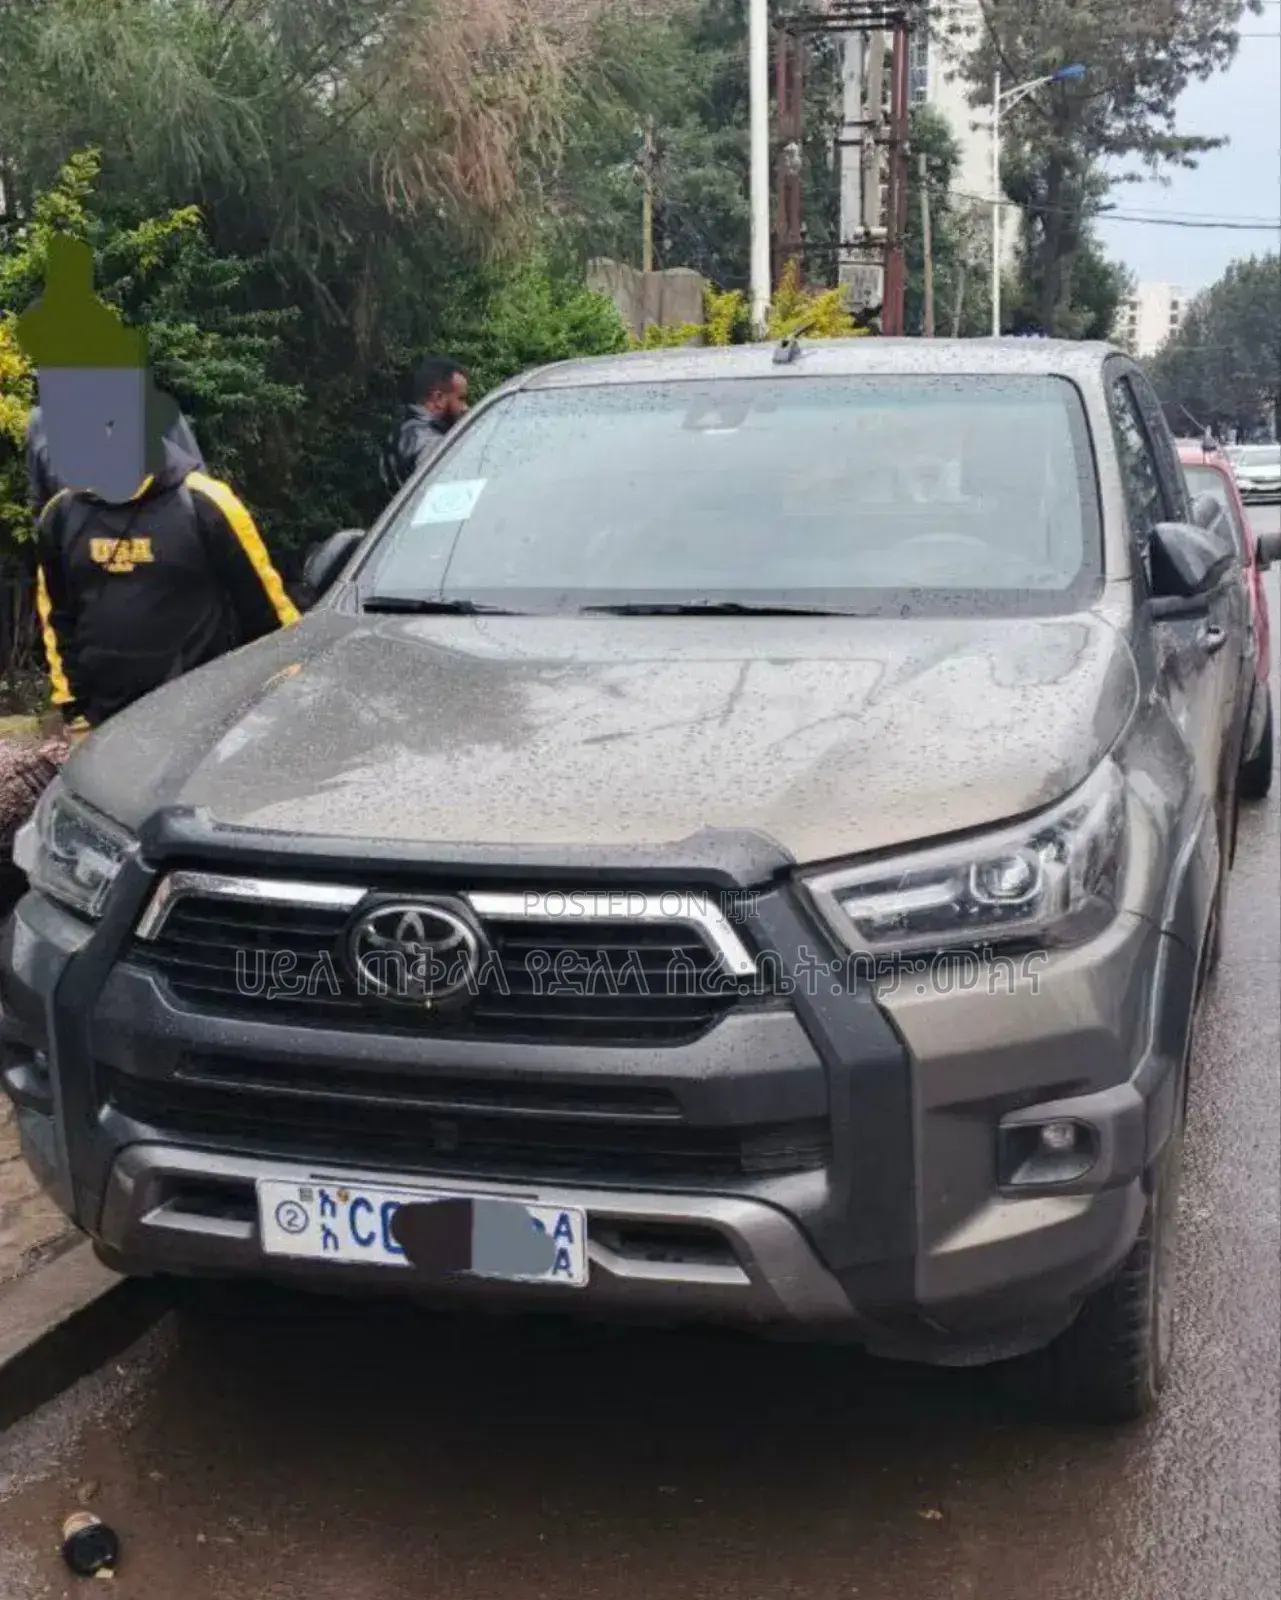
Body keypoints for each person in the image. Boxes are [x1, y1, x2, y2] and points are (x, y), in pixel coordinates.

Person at [35, 428, 300, 734]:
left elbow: (269, 615)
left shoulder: (206, 503)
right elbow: (58, 618)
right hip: (107, 730)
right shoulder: (60, 516)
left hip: (207, 724)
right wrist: (75, 710)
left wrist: (287, 701)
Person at [26, 403, 205, 521]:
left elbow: (200, 502)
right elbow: (42, 510)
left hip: (158, 562)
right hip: (82, 567)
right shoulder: (42, 422)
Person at [380, 356, 469, 496]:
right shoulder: (431, 443)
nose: (466, 408)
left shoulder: (400, 433)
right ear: (438, 398)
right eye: (461, 399)